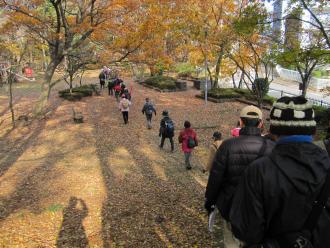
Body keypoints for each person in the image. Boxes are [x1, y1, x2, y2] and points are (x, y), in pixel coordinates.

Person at [230, 96, 330, 248]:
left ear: (273, 130)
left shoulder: (259, 171)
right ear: (313, 130)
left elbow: (246, 230)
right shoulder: (327, 165)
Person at [204, 105, 274, 247]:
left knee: (231, 241)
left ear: (240, 122)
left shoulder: (228, 145)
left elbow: (215, 178)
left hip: (231, 205)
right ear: (261, 124)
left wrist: (210, 201)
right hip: (260, 208)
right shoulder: (271, 147)